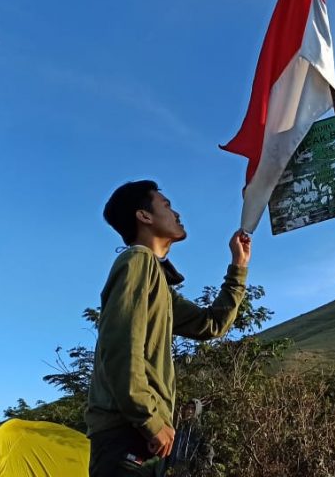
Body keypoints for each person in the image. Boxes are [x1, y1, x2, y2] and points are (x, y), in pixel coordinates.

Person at [85, 180, 252, 477]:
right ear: (144, 216)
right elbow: (120, 347)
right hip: (128, 432)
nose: (176, 214)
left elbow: (210, 324)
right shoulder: (137, 261)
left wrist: (238, 266)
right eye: (166, 205)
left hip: (143, 435)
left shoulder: (158, 280)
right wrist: (150, 421)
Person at [168, 399, 214, 476]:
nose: (189, 411)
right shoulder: (179, 431)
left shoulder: (201, 434)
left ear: (197, 411)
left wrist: (197, 472)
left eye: (193, 409)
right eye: (188, 408)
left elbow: (208, 457)